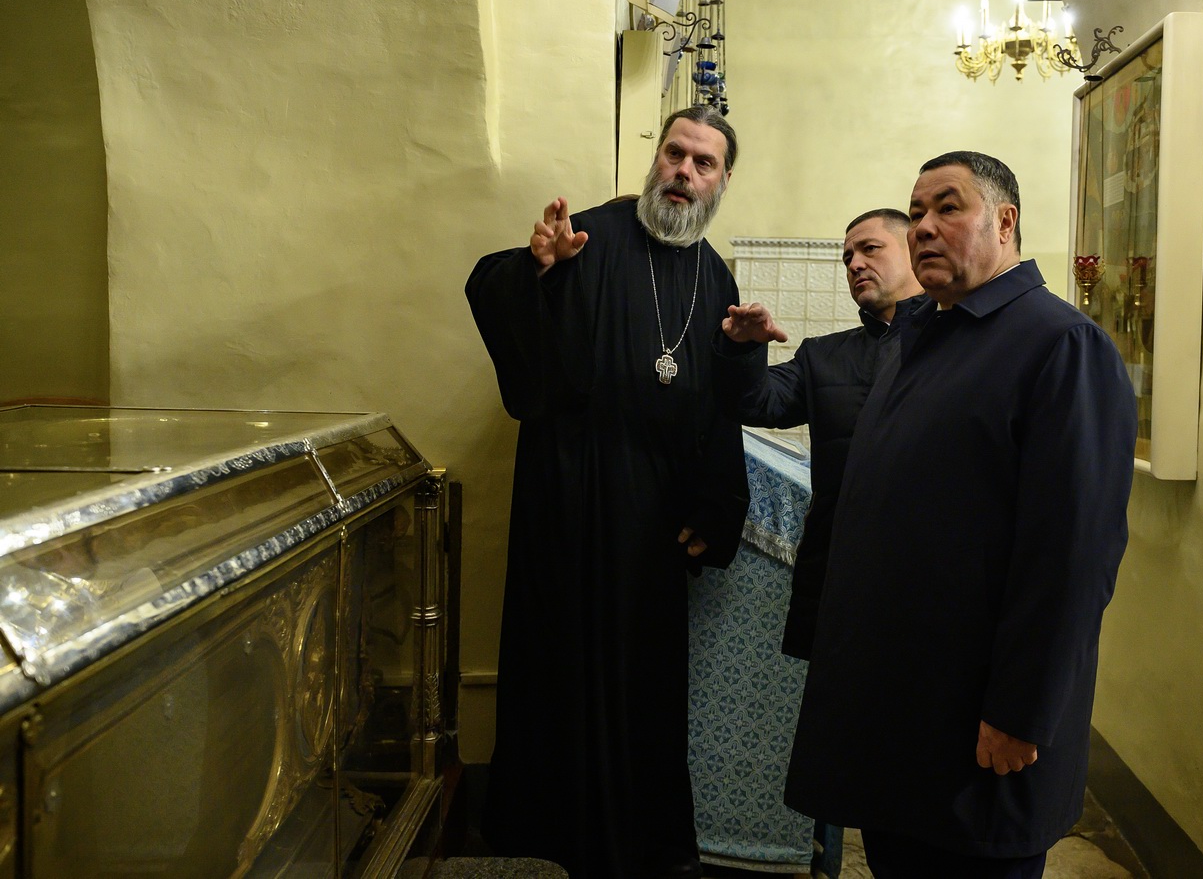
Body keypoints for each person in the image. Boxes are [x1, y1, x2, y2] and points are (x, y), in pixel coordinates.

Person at [784, 151, 1137, 879]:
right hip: (899, 716)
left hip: (979, 727)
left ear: (1004, 222)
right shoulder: (920, 340)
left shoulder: (1059, 344)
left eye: (948, 207)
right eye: (916, 212)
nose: (924, 227)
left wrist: (1021, 712)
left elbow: (1070, 558)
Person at [465, 104, 750, 879]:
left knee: (642, 686)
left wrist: (716, 504)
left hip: (654, 518)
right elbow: (491, 288)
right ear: (656, 159)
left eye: (703, 163)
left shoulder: (715, 275)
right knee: (559, 669)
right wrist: (538, 270)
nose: (684, 172)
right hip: (570, 498)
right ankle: (548, 838)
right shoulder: (587, 236)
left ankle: (641, 842)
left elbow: (721, 404)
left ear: (723, 180)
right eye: (675, 154)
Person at [714, 208, 927, 659]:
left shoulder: (957, 345)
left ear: (913, 251)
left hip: (928, 574)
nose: (855, 264)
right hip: (838, 570)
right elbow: (756, 403)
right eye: (847, 257)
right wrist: (743, 349)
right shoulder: (823, 356)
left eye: (870, 249)